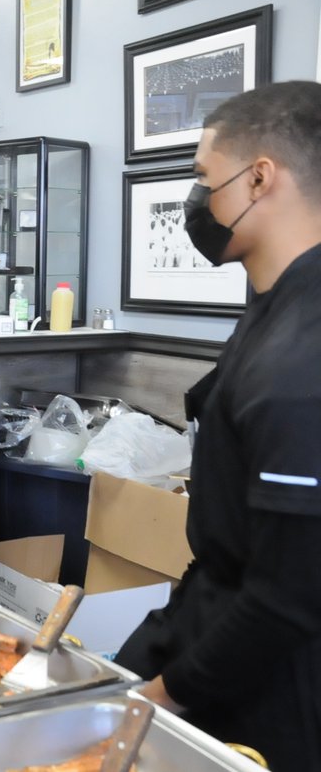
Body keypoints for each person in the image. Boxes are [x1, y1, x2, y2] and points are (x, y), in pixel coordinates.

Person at [115, 81, 321, 771]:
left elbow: (291, 593)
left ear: (260, 177)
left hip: (277, 687)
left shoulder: (307, 346)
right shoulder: (269, 301)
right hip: (211, 617)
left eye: (205, 178)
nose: (197, 202)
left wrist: (163, 695)